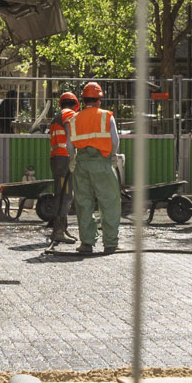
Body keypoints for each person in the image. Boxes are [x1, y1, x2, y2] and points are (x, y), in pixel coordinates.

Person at [68, 82, 121, 254]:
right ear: (99, 100)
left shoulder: (74, 118)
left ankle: (87, 243)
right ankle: (111, 244)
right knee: (109, 203)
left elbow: (69, 145)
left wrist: (72, 160)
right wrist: (112, 156)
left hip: (81, 165)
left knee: (84, 204)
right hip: (102, 163)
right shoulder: (106, 116)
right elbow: (114, 140)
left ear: (83, 100)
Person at [45, 91, 80, 244]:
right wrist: (73, 153)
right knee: (65, 195)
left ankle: (62, 228)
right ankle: (58, 231)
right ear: (75, 104)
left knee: (62, 194)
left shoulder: (56, 116)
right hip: (64, 158)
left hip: (57, 158)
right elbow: (68, 130)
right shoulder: (69, 114)